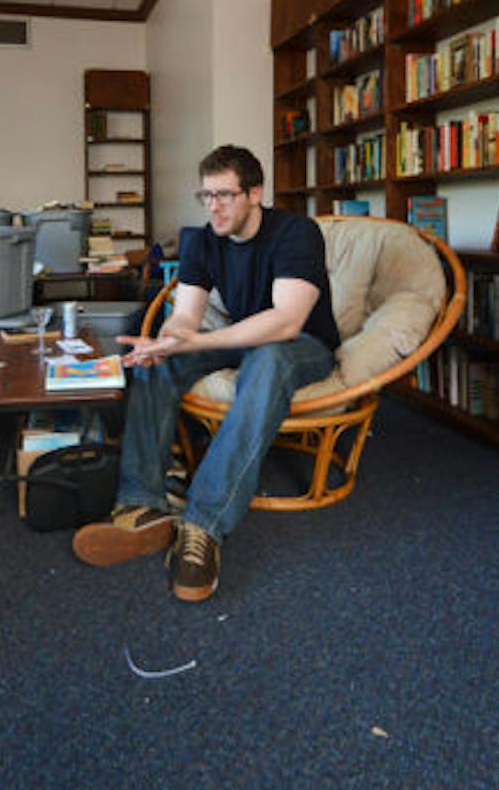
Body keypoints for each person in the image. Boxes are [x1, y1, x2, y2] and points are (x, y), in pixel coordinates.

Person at [72, 145, 339, 601]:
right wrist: (169, 341)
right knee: (161, 353)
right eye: (206, 195)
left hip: (303, 347)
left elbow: (287, 321)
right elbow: (186, 318)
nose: (213, 206)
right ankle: (142, 501)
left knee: (269, 358)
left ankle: (203, 525)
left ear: (255, 193)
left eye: (225, 195)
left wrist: (198, 341)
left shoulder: (297, 232)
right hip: (241, 338)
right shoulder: (201, 239)